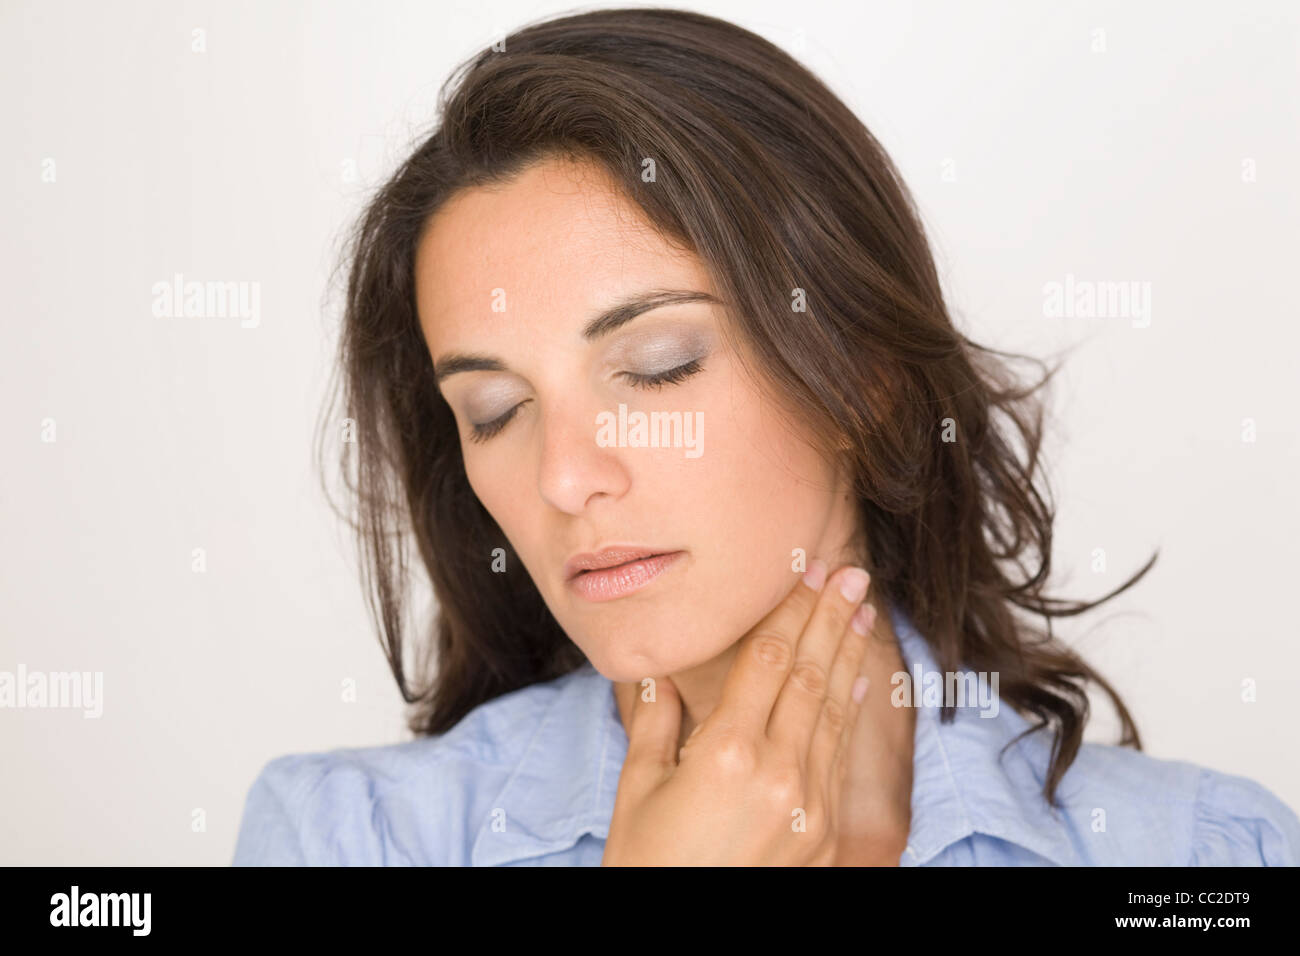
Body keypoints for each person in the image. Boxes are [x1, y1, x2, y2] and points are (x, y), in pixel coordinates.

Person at [232, 7, 1300, 866]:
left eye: (657, 368)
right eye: (494, 411)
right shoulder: (350, 837)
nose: (563, 477)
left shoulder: (1210, 851)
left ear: (864, 375)